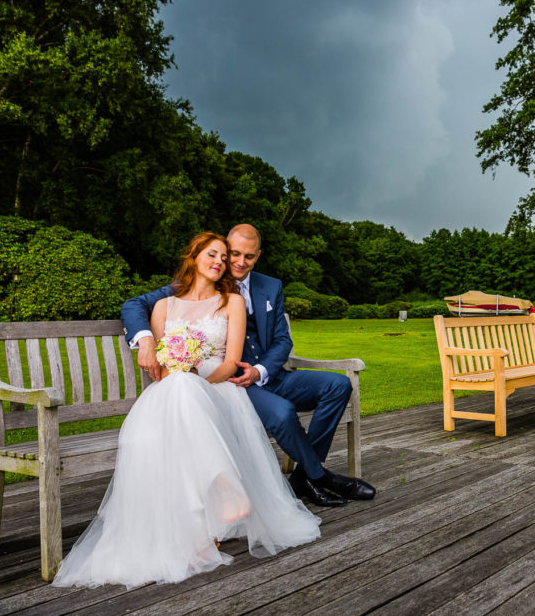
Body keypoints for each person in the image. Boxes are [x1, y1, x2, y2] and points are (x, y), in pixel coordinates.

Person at [53, 232, 321, 588]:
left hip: (218, 391)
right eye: (214, 254)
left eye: (225, 258)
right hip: (173, 392)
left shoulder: (232, 303)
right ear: (194, 256)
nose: (221, 262)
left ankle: (207, 519)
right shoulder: (164, 306)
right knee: (177, 390)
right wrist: (160, 353)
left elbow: (230, 364)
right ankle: (215, 503)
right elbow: (164, 371)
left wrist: (197, 383)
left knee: (184, 390)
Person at [121, 224, 375, 507]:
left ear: (258, 256)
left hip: (269, 374)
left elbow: (282, 340)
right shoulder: (203, 279)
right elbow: (134, 305)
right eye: (234, 254)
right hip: (232, 382)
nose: (239, 262)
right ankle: (321, 478)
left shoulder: (271, 286)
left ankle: (306, 476)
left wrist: (261, 370)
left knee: (338, 384)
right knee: (282, 413)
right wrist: (145, 341)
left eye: (249, 256)